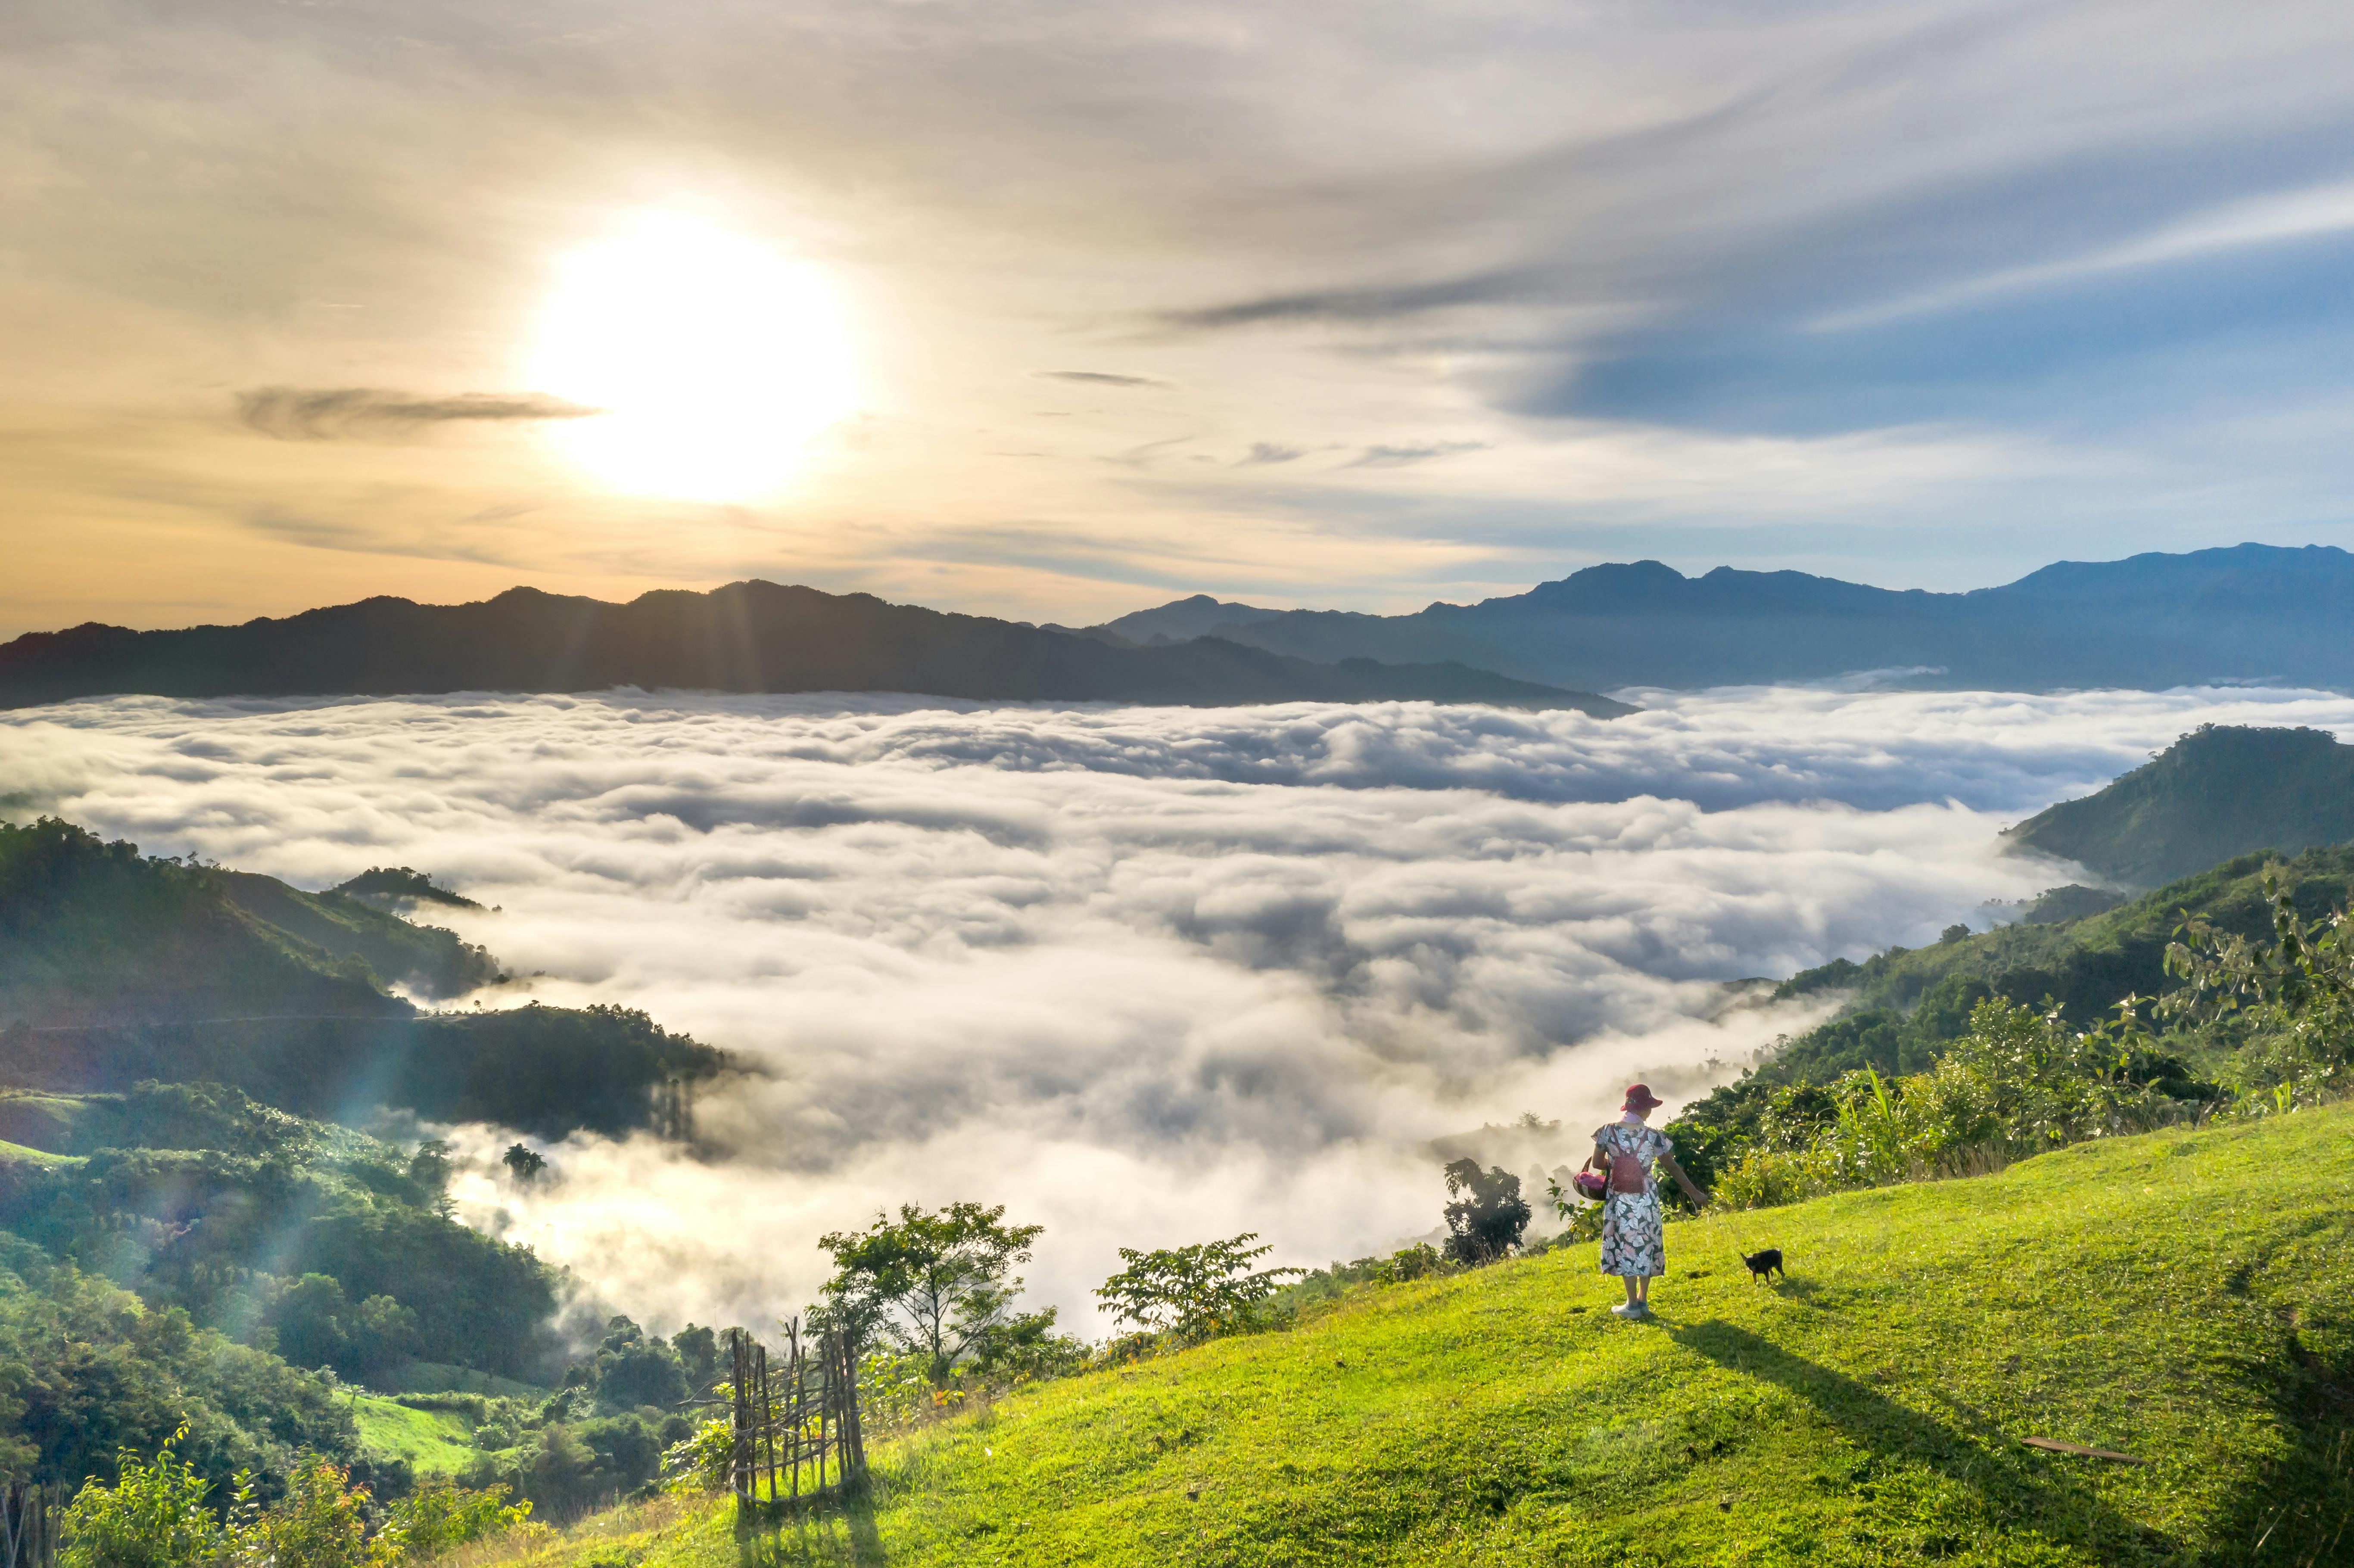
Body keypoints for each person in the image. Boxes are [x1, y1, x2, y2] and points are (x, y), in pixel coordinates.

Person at [1587, 1083, 1709, 1319]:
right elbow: (1673, 1167)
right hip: (1646, 1198)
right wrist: (1695, 1193)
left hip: (1620, 1199)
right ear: (1645, 1110)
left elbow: (1597, 1164)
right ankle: (1642, 1301)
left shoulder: (1607, 1132)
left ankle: (1631, 1304)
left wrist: (1617, 1163)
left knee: (1625, 1247)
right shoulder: (1653, 1137)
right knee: (1645, 1244)